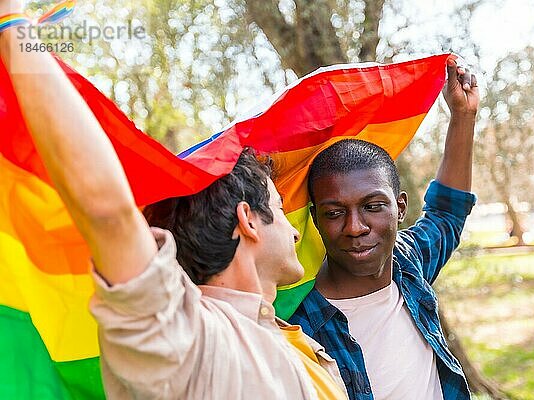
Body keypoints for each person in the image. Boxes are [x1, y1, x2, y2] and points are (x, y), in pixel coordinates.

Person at [0, 1, 347, 398]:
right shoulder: (187, 341)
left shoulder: (305, 346)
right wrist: (12, 26)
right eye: (282, 210)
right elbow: (107, 212)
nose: (296, 228)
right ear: (248, 220)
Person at [289, 60, 479, 400]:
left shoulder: (407, 263)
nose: (355, 227)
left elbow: (447, 215)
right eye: (334, 213)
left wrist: (463, 116)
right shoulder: (298, 321)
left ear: (400, 208)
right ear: (315, 218)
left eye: (373, 207)